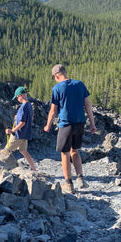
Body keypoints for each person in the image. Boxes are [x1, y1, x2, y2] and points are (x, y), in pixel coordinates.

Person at [44, 64, 97, 193]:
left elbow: (53, 110)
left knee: (65, 154)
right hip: (80, 123)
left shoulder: (57, 88)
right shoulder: (80, 84)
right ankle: (80, 178)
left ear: (56, 76)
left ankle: (68, 183)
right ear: (65, 72)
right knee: (75, 151)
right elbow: (88, 106)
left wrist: (48, 125)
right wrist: (92, 124)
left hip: (66, 124)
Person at [3, 86, 37, 171]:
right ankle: (33, 168)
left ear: (20, 96)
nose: (17, 99)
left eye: (17, 97)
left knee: (6, 151)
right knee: (23, 151)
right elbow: (30, 118)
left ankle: (2, 168)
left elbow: (22, 123)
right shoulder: (29, 105)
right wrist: (18, 117)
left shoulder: (23, 107)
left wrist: (12, 131)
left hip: (18, 134)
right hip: (26, 134)